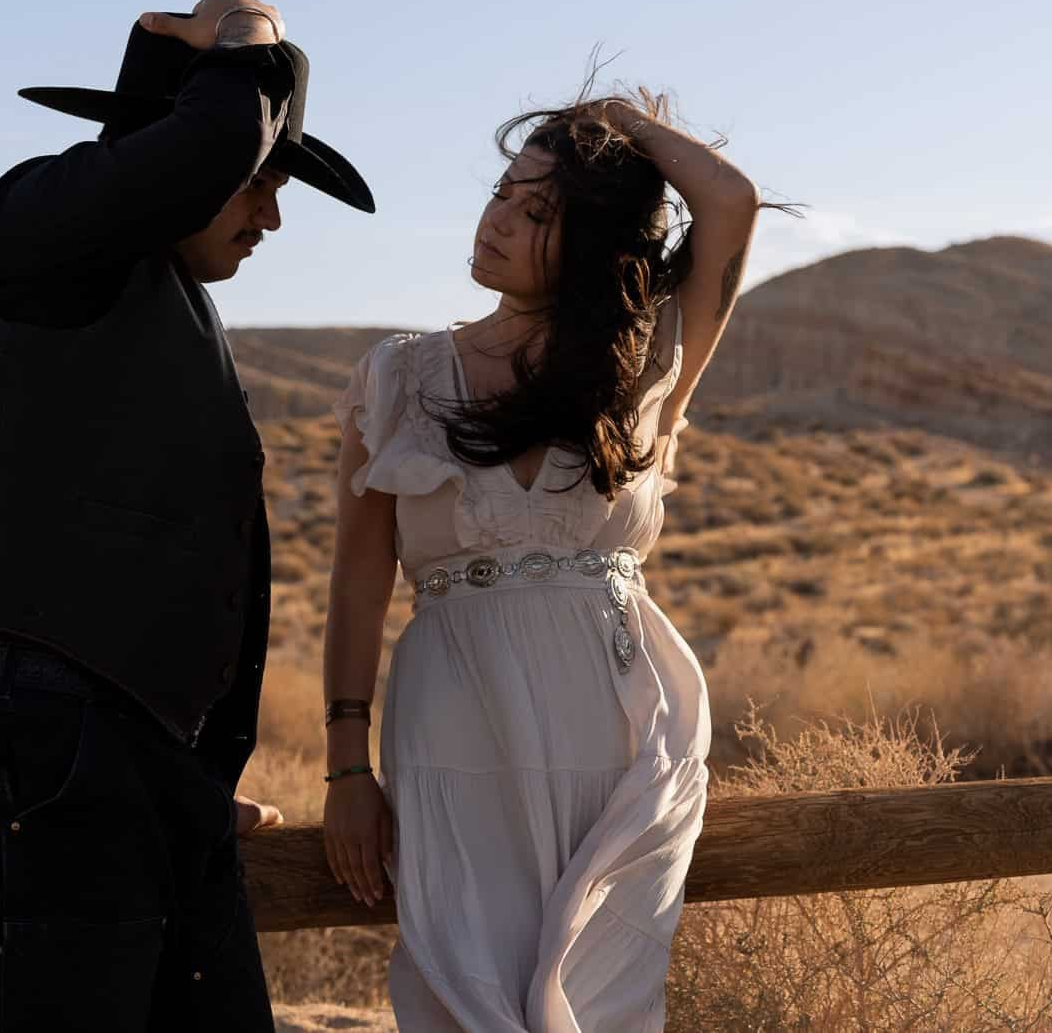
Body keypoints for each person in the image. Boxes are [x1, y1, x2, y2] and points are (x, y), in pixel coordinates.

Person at [0, 0, 376, 1030]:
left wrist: (168, 780)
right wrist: (250, 37)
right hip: (25, 753)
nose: (271, 217)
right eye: (259, 181)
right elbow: (208, 142)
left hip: (109, 769)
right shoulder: (31, 231)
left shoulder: (149, 297)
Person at [321, 88, 762, 1030]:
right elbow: (358, 581)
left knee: (602, 999)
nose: (497, 221)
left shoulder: (645, 368)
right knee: (464, 989)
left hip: (619, 726)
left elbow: (729, 203)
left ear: (597, 244)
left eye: (537, 213)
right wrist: (345, 769)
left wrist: (621, 122)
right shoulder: (397, 375)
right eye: (501, 194)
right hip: (454, 722)